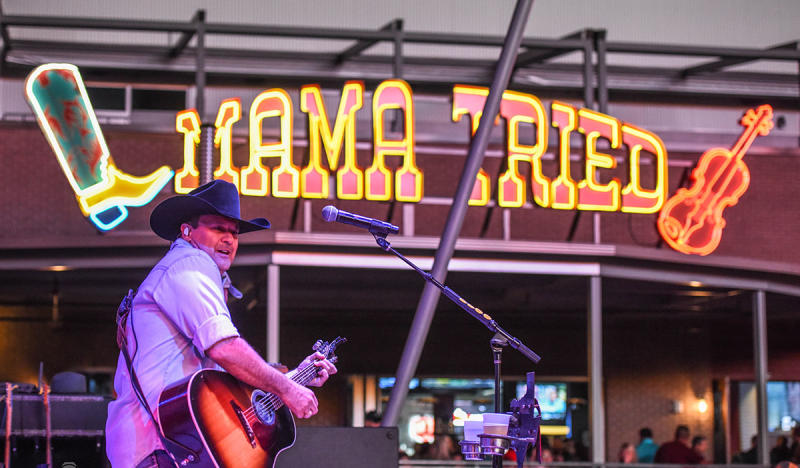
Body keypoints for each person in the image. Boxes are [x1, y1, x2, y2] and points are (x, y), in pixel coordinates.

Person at [105, 180, 338, 467]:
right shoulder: (189, 262)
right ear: (187, 231)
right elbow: (225, 349)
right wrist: (288, 389)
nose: (229, 239)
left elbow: (227, 393)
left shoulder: (188, 269)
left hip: (171, 446)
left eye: (235, 233)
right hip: (159, 446)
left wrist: (296, 378)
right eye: (218, 229)